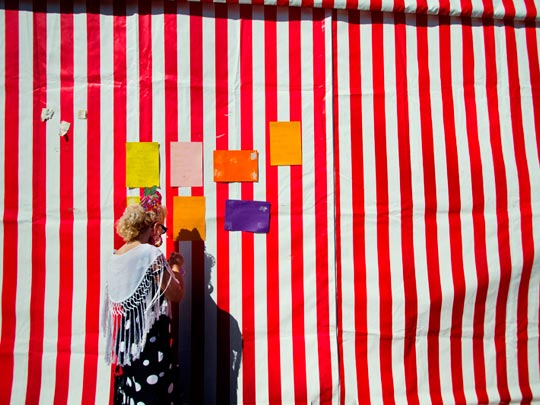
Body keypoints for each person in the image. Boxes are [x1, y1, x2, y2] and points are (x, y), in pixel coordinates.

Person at [102, 190, 184, 405]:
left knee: (134, 392)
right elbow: (175, 294)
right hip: (150, 337)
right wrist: (176, 267)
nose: (162, 235)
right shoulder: (149, 254)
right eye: (162, 228)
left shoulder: (116, 255)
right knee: (154, 394)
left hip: (128, 339)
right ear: (154, 227)